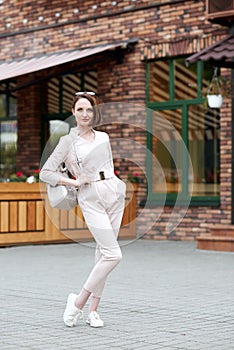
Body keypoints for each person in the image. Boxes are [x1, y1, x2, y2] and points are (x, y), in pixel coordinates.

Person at [40, 92, 126, 328]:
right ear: (74, 113)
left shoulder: (104, 137)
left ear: (94, 113)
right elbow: (46, 172)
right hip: (89, 196)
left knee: (103, 254)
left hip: (113, 192)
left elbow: (109, 165)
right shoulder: (67, 142)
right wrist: (73, 182)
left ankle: (93, 312)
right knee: (113, 254)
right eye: (80, 110)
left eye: (89, 110)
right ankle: (77, 302)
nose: (85, 114)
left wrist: (118, 185)